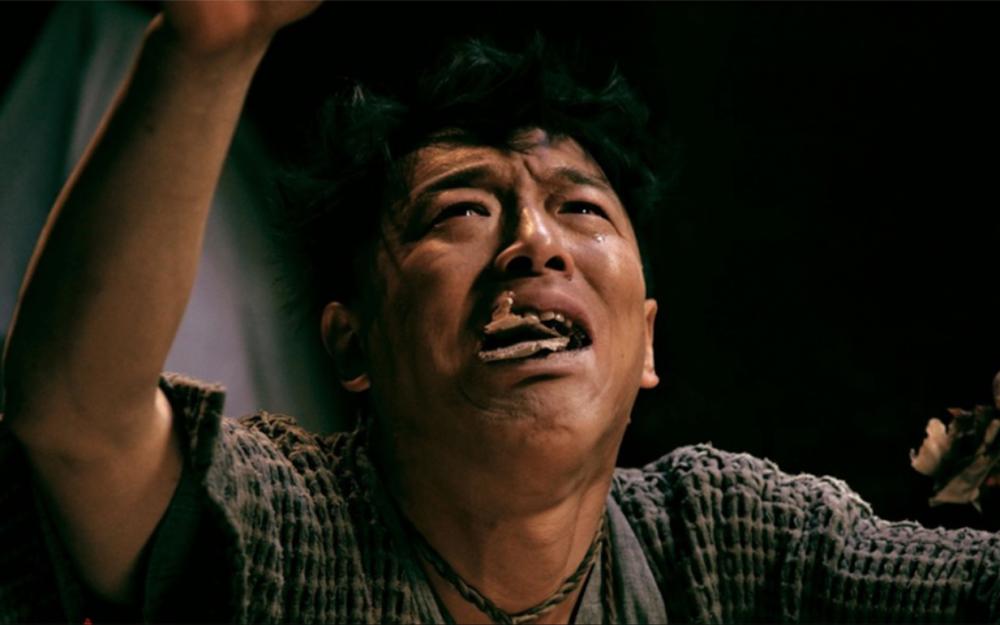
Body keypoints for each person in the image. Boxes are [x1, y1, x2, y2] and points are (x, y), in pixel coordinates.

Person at [1, 3, 998, 623]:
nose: (535, 242)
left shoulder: (724, 539)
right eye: (461, 213)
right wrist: (207, 49)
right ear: (351, 343)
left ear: (647, 339)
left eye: (581, 208)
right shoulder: (291, 531)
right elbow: (75, 422)